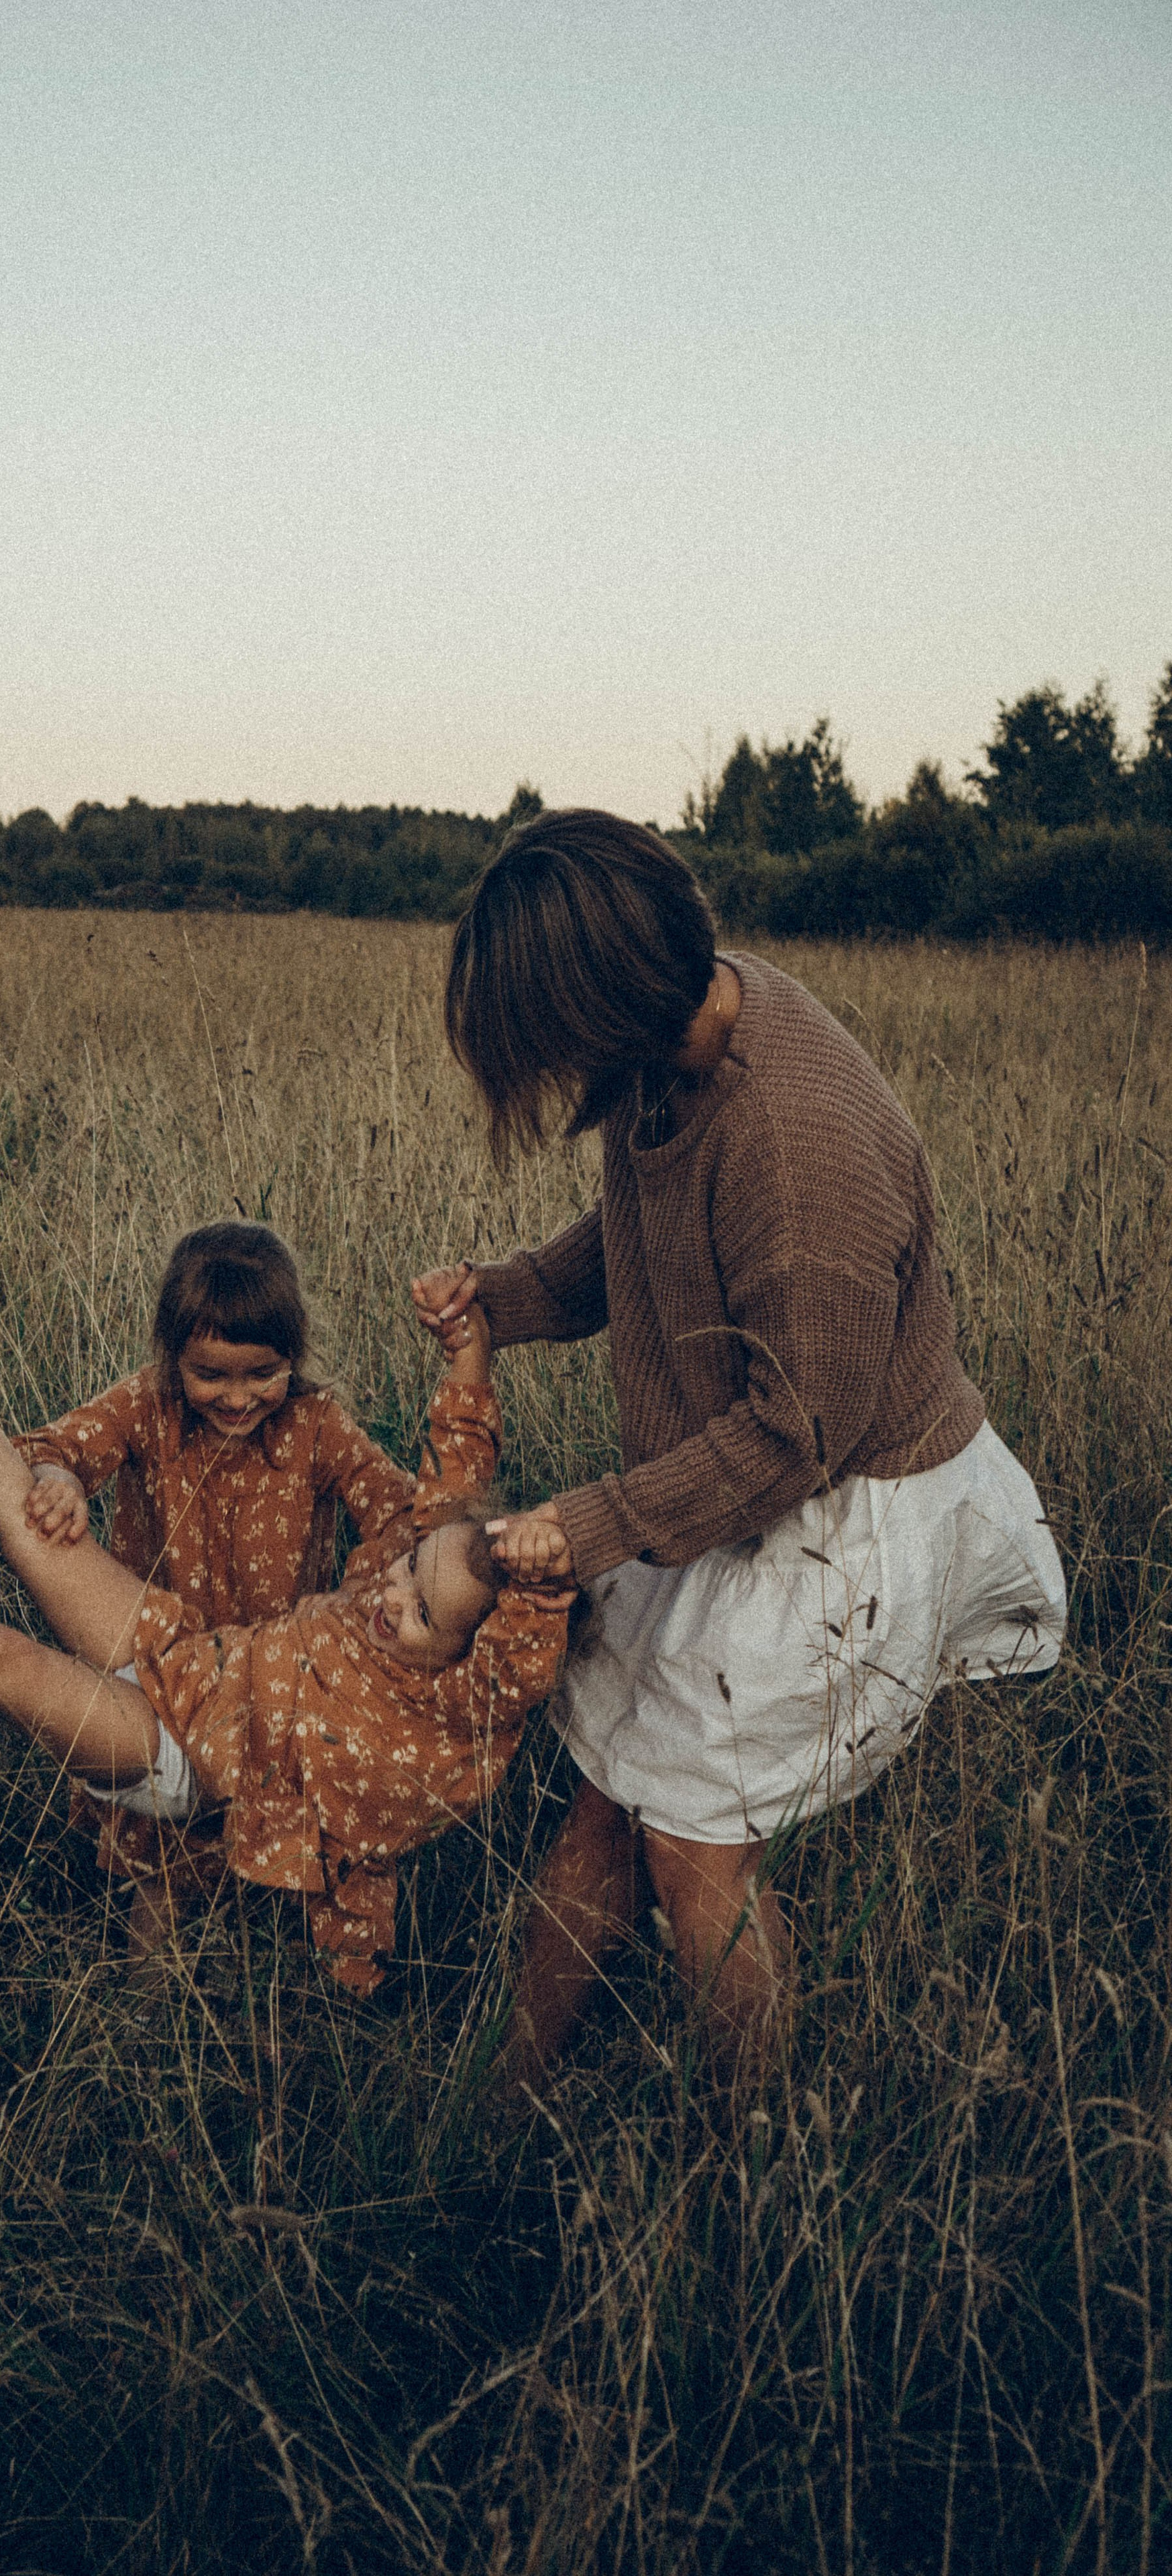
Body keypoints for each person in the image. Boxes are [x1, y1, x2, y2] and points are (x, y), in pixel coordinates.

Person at [411, 807, 1065, 2078]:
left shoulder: (795, 1140)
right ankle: (500, 2094)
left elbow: (797, 1434)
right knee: (610, 1793)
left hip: (835, 1513)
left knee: (694, 1842)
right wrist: (506, 1295)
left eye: (543, 1046)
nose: (542, 1081)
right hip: (722, 1483)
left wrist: (587, 1526)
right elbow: (641, 1241)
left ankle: (746, 2167)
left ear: (602, 1011)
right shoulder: (681, 1041)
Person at [0, 1292, 572, 1992]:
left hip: (177, 1756)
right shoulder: (414, 1569)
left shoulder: (459, 1700)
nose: (391, 1594)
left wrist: (541, 1586)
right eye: (406, 1572)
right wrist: (468, 1354)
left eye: (419, 1613)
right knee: (39, 1538)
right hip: (189, 1655)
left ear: (466, 1658)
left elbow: (520, 1664)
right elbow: (454, 1483)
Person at [11, 1220, 419, 1952]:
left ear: (293, 1356)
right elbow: (60, 1446)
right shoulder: (148, 1407)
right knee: (161, 1866)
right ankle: (149, 2022)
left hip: (274, 1683)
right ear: (172, 1359)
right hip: (165, 1673)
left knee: (289, 1844)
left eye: (261, 1372)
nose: (237, 1398)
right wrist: (58, 1478)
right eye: (211, 1374)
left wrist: (363, 1590)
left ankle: (284, 2003)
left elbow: (394, 1506)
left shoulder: (316, 1425)